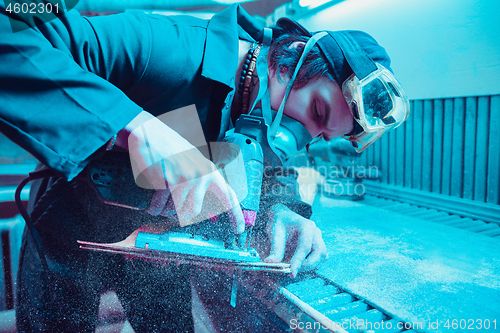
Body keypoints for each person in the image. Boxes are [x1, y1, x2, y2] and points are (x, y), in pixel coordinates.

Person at [0, 2, 409, 332]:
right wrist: (132, 125)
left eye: (320, 135)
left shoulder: (273, 112)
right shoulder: (168, 50)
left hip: (157, 250)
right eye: (317, 111)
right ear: (292, 61)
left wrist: (285, 210)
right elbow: (12, 32)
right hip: (68, 230)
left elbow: (273, 168)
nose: (298, 137)